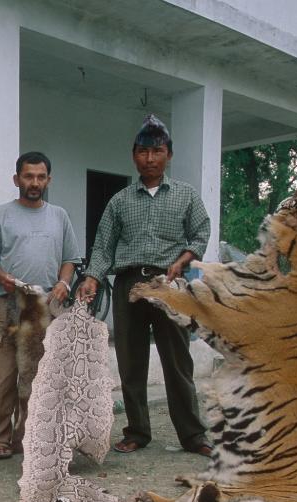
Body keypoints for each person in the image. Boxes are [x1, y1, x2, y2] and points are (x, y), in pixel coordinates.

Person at [76, 115, 212, 457]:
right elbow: (104, 245)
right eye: (142, 152)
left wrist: (182, 262)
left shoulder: (186, 195)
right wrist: (92, 277)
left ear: (168, 155)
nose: (149, 158)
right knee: (131, 362)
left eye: (157, 151)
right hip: (128, 284)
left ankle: (194, 436)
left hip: (169, 285)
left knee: (178, 362)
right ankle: (137, 431)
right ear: (133, 155)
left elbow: (201, 232)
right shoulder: (120, 201)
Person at [0, 152, 81, 460]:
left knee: (38, 378)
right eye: (28, 176)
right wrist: (4, 278)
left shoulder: (59, 216)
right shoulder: (0, 215)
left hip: (46, 308)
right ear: (16, 179)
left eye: (40, 177)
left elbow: (69, 260)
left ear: (48, 179)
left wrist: (63, 284)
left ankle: (30, 437)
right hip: (8, 306)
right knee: (4, 378)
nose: (34, 182)